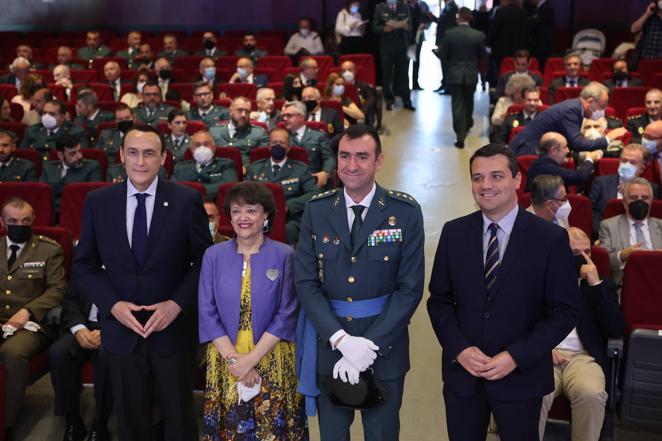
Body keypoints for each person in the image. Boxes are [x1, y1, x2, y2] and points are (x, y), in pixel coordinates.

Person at [427, 143, 578, 441]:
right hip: (464, 378)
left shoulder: (550, 239)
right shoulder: (453, 233)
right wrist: (460, 348)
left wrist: (515, 356)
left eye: (496, 176)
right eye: (478, 177)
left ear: (517, 179)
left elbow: (564, 311)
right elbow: (440, 302)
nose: (486, 185)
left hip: (521, 378)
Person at [74, 125, 212, 441]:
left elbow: (205, 261)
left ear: (163, 157)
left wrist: (176, 304)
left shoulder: (187, 199)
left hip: (172, 331)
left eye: (149, 153)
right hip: (121, 333)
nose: (140, 161)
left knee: (179, 419)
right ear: (121, 156)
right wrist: (112, 304)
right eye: (133, 152)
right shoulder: (98, 202)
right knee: (132, 421)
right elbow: (85, 265)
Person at [295, 124, 424, 441]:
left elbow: (410, 290)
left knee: (382, 433)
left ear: (379, 161)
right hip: (331, 344)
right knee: (333, 435)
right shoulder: (317, 209)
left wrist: (370, 344)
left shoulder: (404, 212)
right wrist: (341, 340)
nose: (351, 166)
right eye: (344, 156)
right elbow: (306, 283)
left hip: (385, 347)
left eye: (362, 157)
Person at [199, 181, 307, 440]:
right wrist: (236, 361)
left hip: (272, 357)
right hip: (226, 360)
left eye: (251, 210)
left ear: (266, 214)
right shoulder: (213, 256)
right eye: (236, 211)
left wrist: (251, 360)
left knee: (273, 430)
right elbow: (207, 311)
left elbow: (287, 312)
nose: (243, 218)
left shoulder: (284, 255)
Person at [538, 227, 625, 441]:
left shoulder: (602, 285)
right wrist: (540, 348)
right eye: (576, 253)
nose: (584, 258)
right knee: (533, 395)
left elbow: (615, 328)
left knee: (591, 394)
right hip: (543, 354)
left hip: (583, 357)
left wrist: (596, 285)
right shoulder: (539, 279)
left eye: (588, 252)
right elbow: (519, 322)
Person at [0, 197, 66, 438]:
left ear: (34, 220)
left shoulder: (49, 249)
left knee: (12, 352)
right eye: (13, 221)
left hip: (32, 324)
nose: (20, 225)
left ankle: (6, 423)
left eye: (26, 220)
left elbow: (57, 289)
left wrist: (27, 311)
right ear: (3, 222)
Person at [48, 277, 113, 441]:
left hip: (116, 329)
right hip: (83, 326)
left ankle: (100, 423)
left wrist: (109, 330)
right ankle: (72, 421)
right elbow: (71, 301)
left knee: (106, 355)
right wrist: (78, 329)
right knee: (59, 352)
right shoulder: (84, 262)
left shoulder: (129, 260)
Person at [510, 82, 628, 156]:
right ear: (590, 101)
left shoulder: (575, 107)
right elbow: (576, 144)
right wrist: (608, 138)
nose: (604, 110)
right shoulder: (572, 110)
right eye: (602, 106)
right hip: (527, 151)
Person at [246, 128, 318, 244]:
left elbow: (314, 193)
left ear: (288, 147)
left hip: (289, 218)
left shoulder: (300, 169)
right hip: (259, 216)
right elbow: (244, 193)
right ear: (269, 146)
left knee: (287, 231)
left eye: (282, 143)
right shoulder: (256, 168)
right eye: (274, 143)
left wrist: (288, 206)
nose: (277, 145)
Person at [599, 177, 662, 283]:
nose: (640, 201)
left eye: (645, 198)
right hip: (625, 286)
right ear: (624, 202)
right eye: (634, 198)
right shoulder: (608, 226)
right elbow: (602, 261)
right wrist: (623, 255)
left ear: (651, 202)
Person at [441, 7, 485, 148]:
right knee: (469, 101)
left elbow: (443, 56)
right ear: (470, 18)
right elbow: (482, 56)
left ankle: (460, 135)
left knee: (457, 104)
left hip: (455, 73)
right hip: (471, 73)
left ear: (458, 17)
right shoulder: (478, 35)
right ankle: (467, 124)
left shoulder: (449, 34)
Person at [589, 143, 656, 234]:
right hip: (605, 233)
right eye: (624, 161)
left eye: (632, 162)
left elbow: (653, 217)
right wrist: (603, 231)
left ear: (642, 168)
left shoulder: (652, 188)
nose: (627, 165)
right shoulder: (601, 183)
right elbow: (589, 213)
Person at [40, 134, 103, 211]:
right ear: (60, 155)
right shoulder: (49, 168)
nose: (79, 156)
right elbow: (42, 195)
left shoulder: (91, 167)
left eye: (79, 151)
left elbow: (93, 195)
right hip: (53, 213)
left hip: (79, 211)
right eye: (72, 154)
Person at [281, 101, 336, 189]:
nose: (285, 118)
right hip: (289, 181)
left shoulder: (318, 136)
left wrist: (325, 172)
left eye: (289, 115)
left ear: (301, 116)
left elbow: (329, 157)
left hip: (314, 180)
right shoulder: (282, 138)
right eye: (283, 116)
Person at [372, 0, 415, 111]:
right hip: (386, 46)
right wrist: (384, 29)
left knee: (404, 75)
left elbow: (410, 25)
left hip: (401, 45)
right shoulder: (380, 7)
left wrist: (407, 27)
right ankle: (389, 101)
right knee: (387, 75)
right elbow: (374, 27)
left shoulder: (404, 6)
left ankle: (407, 101)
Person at [525, 132, 601, 192]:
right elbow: (579, 177)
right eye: (565, 147)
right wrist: (589, 159)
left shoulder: (542, 163)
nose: (568, 150)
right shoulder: (545, 167)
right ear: (554, 150)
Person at [172, 129, 238, 199]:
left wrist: (194, 190)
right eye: (197, 145)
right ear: (191, 149)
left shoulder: (226, 165)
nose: (202, 148)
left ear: (214, 148)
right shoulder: (180, 167)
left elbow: (229, 188)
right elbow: (172, 189)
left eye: (206, 144)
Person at [209, 97, 269, 168]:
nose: (243, 115)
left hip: (246, 176)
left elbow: (262, 161)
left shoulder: (259, 133)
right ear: (230, 111)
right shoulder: (214, 132)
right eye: (240, 110)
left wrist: (247, 168)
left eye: (247, 112)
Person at [21, 99, 90, 158]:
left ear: (63, 117)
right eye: (45, 113)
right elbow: (23, 155)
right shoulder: (32, 130)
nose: (46, 117)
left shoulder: (76, 133)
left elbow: (79, 157)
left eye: (52, 114)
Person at [486, 0, 530, 80]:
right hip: (519, 51)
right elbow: (527, 32)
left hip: (501, 51)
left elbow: (494, 31)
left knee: (502, 74)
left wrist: (489, 45)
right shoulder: (523, 12)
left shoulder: (500, 12)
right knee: (518, 74)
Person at [339, 60, 378, 128]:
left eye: (349, 70)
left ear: (355, 71)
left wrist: (362, 111)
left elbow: (371, 98)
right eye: (344, 71)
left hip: (361, 114)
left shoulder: (363, 86)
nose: (347, 73)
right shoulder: (338, 87)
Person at [408, 0, 435, 91]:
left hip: (418, 37)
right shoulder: (405, 6)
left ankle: (415, 83)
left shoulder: (421, 6)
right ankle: (405, 84)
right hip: (408, 38)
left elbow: (426, 18)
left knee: (417, 61)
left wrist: (426, 24)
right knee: (406, 61)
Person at [434, 0, 458, 94]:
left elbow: (449, 25)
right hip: (443, 40)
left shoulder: (453, 7)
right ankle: (444, 83)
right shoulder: (447, 7)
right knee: (444, 64)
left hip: (447, 40)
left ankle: (448, 86)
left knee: (447, 64)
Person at [528, 0, 555, 70]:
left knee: (541, 66)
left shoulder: (547, 7)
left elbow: (538, 22)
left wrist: (527, 22)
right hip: (537, 44)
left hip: (543, 45)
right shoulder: (538, 7)